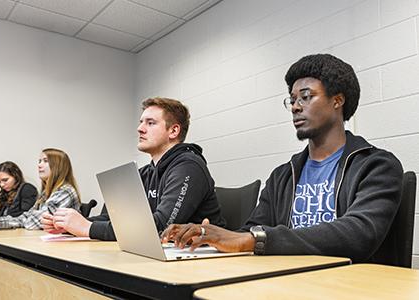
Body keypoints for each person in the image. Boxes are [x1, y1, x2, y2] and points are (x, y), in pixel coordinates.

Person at [162, 54, 403, 264]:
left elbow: (359, 234)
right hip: (287, 281)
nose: (296, 107)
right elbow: (252, 231)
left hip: (349, 285)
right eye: (292, 99)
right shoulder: (283, 175)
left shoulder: (377, 166)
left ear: (337, 100)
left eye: (306, 97)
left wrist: (253, 239)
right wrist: (211, 238)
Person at [41, 98, 225, 240]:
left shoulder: (189, 166)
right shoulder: (146, 172)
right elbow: (111, 218)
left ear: (174, 131)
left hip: (200, 263)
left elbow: (159, 227)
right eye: (141, 122)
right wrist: (70, 225)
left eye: (150, 123)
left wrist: (87, 228)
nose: (140, 128)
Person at [0, 148, 81, 229]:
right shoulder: (45, 194)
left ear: (58, 166)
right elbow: (26, 217)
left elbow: (34, 222)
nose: (39, 165)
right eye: (39, 161)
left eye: (45, 161)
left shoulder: (65, 191)